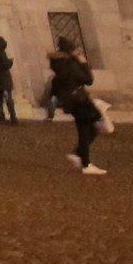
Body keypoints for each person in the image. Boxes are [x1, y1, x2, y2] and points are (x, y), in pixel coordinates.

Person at [49, 38, 105, 174]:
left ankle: (79, 155)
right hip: (80, 101)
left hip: (72, 102)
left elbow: (56, 87)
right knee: (89, 129)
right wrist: (84, 63)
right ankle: (84, 162)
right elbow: (89, 79)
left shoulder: (58, 65)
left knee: (86, 129)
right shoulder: (70, 65)